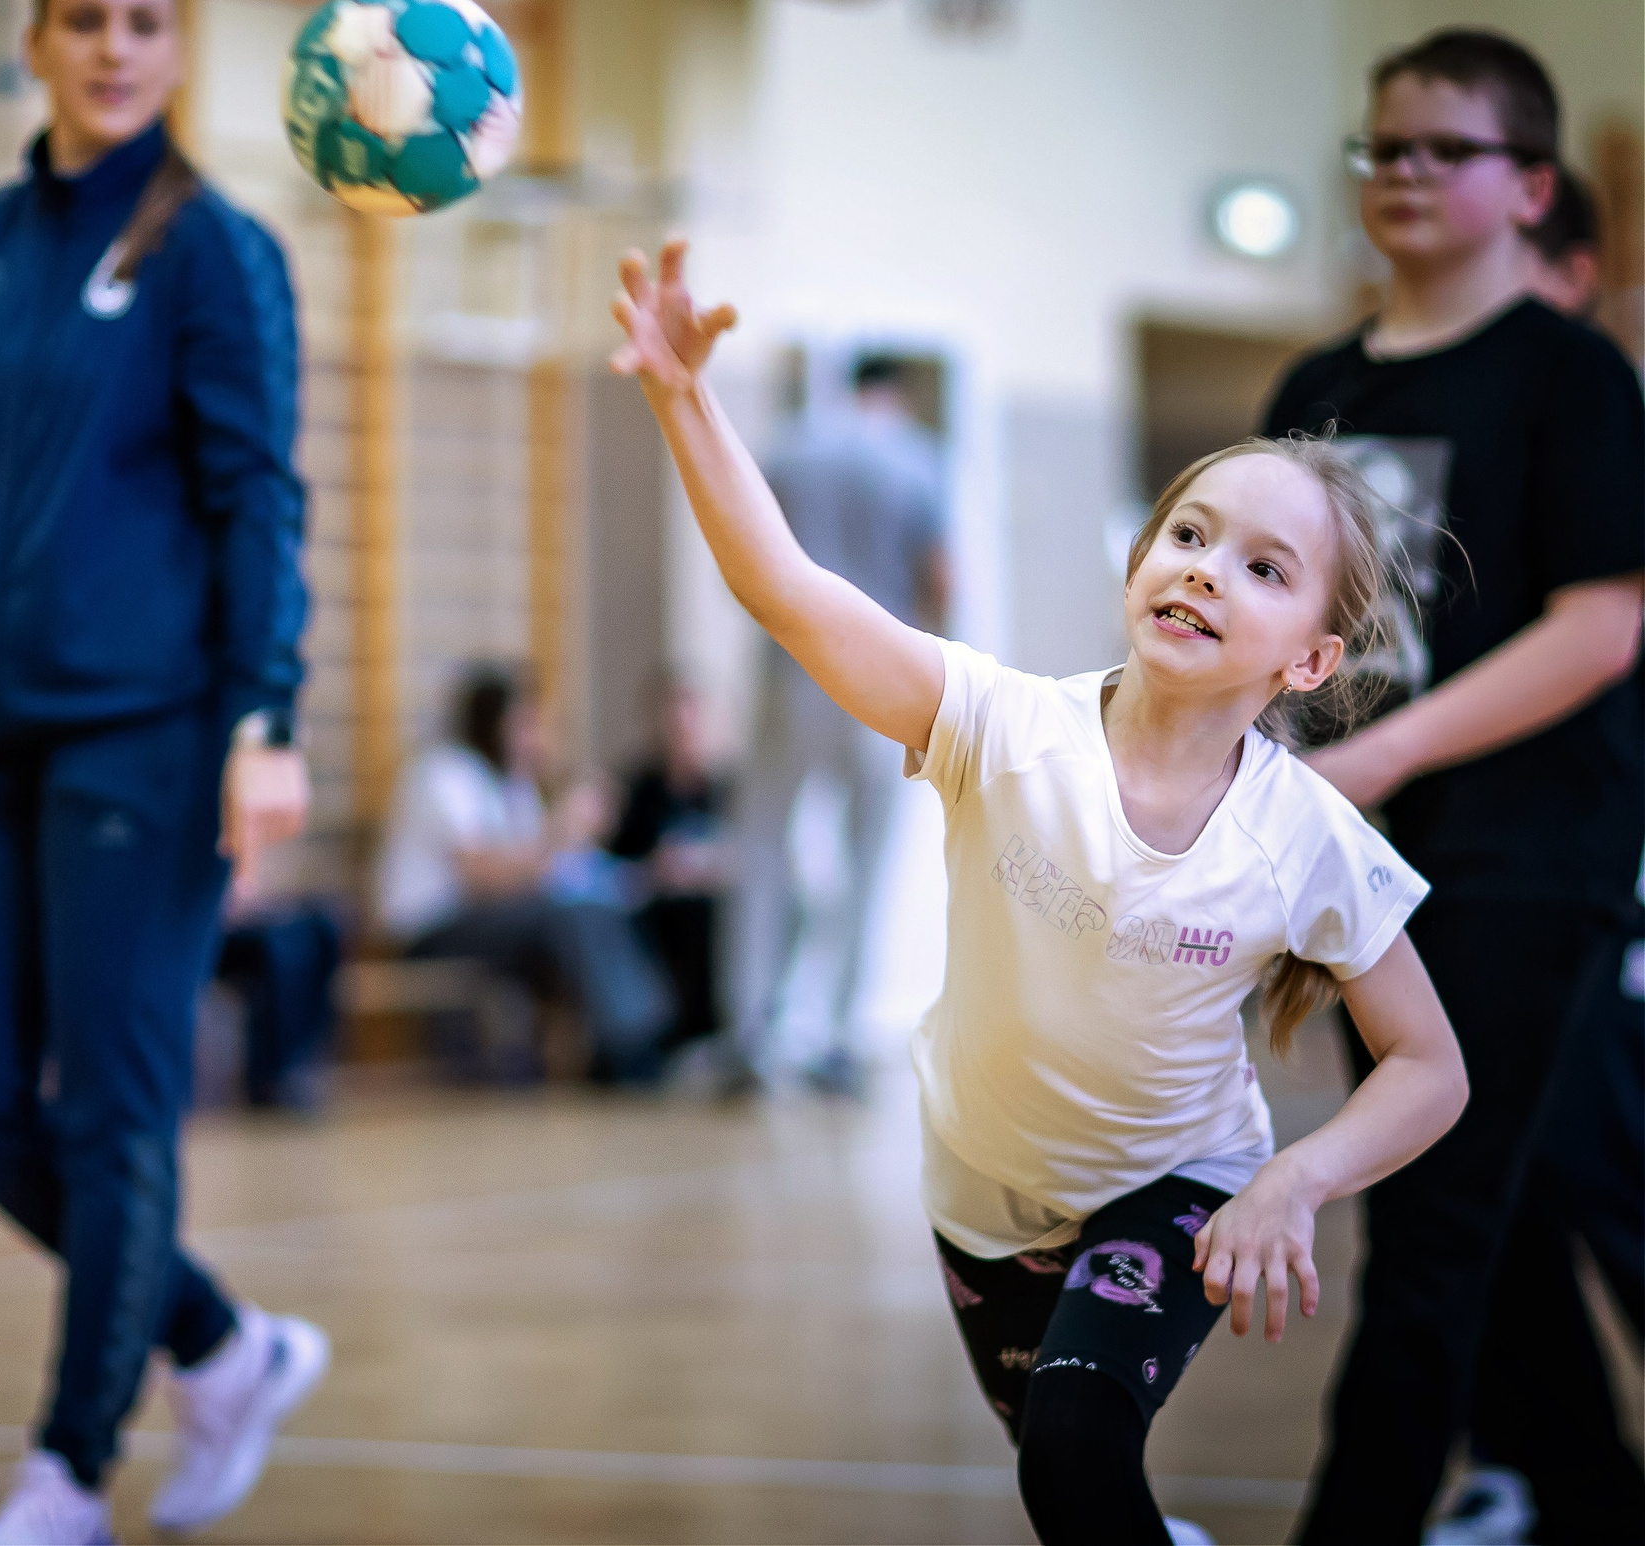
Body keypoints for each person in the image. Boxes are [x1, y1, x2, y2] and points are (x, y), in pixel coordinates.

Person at [613, 237, 1469, 1544]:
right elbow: (786, 591)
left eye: (1261, 565)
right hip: (981, 1191)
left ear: (1310, 658)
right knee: (1082, 1496)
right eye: (1189, 533)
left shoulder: (1307, 835)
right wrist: (684, 397)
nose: (1202, 567)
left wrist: (1294, 1180)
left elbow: (1430, 1067)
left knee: (1069, 1453)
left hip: (1177, 1184)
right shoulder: (996, 723)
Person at [0, 0, 324, 1546]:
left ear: (177, 50)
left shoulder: (214, 250)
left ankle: (70, 1465)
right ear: (37, 42)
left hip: (156, 740)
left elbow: (258, 492)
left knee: (119, 1112)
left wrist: (265, 712)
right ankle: (222, 1343)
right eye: (84, 18)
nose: (114, 45)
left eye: (143, 21)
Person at [1256, 30, 1645, 1543]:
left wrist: (1385, 755)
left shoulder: (1571, 373)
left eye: (1443, 149)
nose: (1403, 174)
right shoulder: (1319, 381)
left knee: (1430, 1226)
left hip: (1525, 857)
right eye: (1382, 148)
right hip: (1361, 854)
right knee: (1505, 1216)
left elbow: (1603, 625)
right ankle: (1597, 1500)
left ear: (1528, 183)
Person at [1429, 164, 1645, 1546]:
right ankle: (1555, 1474)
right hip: (1481, 877)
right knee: (1487, 1189)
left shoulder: (1589, 416)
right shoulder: (1488, 458)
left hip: (1592, 884)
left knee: (1594, 1164)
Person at [733, 352, 946, 1096]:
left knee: (761, 851)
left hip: (790, 677)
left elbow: (749, 556)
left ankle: (753, 1032)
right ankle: (843, 1037)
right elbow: (940, 578)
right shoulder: (918, 460)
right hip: (879, 684)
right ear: (901, 390)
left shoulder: (790, 447)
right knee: (867, 863)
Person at [378, 665, 675, 1084]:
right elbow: (481, 878)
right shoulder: (443, 772)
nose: (535, 736)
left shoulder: (513, 787)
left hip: (498, 925)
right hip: (432, 928)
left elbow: (548, 872)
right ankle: (627, 1047)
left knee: (604, 906)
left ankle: (638, 1041)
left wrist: (633, 874)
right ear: (494, 722)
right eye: (526, 722)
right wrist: (563, 831)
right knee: (571, 915)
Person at [605, 670, 732, 1054]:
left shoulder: (724, 789)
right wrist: (654, 870)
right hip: (651, 906)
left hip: (711, 902)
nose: (683, 726)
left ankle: (718, 1033)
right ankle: (663, 1037)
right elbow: (610, 868)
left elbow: (748, 857)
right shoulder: (635, 791)